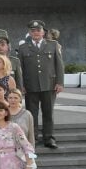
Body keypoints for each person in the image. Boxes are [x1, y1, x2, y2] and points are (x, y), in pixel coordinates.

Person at [18, 20, 64, 149]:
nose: (36, 33)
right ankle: (33, 138)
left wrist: (60, 82)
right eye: (33, 31)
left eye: (38, 30)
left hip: (49, 85)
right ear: (29, 32)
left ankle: (49, 138)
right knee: (31, 114)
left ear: (43, 32)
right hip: (30, 85)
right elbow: (20, 68)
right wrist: (21, 85)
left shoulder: (53, 45)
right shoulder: (23, 48)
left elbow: (59, 65)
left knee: (48, 112)